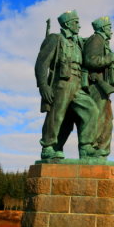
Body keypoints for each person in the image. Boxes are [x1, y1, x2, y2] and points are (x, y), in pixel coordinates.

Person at [35, 10, 99, 159]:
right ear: (68, 24)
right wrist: (43, 85)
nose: (79, 26)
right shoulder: (55, 39)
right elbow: (41, 64)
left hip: (78, 85)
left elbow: (92, 45)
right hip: (62, 83)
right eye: (76, 23)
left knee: (91, 110)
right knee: (56, 115)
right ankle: (48, 146)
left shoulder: (78, 43)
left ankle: (86, 147)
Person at [83, 16, 114, 157]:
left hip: (102, 87)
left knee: (107, 119)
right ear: (103, 28)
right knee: (98, 117)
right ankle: (94, 148)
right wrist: (110, 58)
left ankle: (102, 151)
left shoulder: (103, 41)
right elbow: (91, 61)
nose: (111, 31)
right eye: (109, 27)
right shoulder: (96, 39)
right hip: (96, 85)